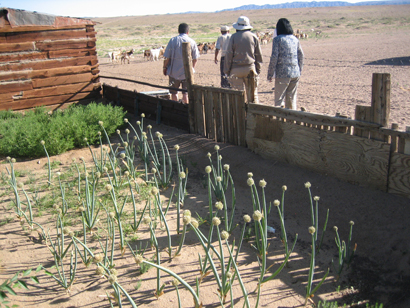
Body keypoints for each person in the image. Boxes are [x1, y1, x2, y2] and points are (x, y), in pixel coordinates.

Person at [267, 18, 304, 110]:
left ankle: (280, 121)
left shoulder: (277, 40)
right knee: (291, 99)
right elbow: (301, 55)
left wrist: (270, 74)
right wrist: (299, 70)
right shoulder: (295, 39)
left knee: (279, 100)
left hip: (282, 74)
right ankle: (291, 121)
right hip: (295, 73)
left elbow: (274, 57)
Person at [224, 16, 263, 103]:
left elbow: (229, 55)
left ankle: (240, 115)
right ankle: (254, 114)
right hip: (250, 68)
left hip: (236, 69)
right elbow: (259, 56)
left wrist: (227, 70)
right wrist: (258, 70)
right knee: (253, 95)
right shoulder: (253, 36)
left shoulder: (233, 37)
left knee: (238, 96)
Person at [163, 23, 200, 104]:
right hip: (187, 73)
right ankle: (186, 108)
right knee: (185, 93)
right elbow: (195, 58)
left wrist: (164, 67)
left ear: (178, 31)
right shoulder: (192, 41)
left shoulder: (172, 41)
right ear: (188, 31)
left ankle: (175, 108)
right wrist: (191, 68)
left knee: (174, 93)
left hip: (173, 72)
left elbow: (166, 57)